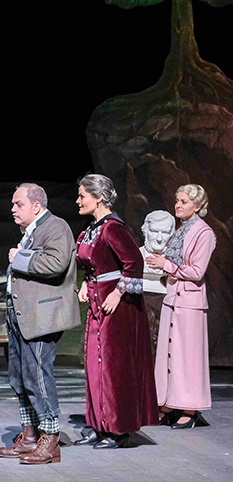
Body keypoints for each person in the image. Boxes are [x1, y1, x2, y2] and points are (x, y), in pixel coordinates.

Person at [0, 183, 80, 465]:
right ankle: (30, 435)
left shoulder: (56, 227)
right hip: (21, 312)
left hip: (41, 316)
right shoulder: (31, 231)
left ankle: (50, 439)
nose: (13, 209)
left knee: (38, 376)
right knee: (19, 376)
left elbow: (56, 263)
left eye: (18, 204)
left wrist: (19, 257)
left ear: (36, 206)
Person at [73, 174, 159, 449]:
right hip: (97, 305)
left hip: (117, 309)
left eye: (82, 196)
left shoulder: (112, 228)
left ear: (98, 198)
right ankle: (98, 424)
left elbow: (134, 262)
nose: (78, 200)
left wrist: (118, 292)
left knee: (112, 368)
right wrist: (86, 283)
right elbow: (95, 264)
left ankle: (117, 429)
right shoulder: (92, 228)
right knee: (94, 366)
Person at [145, 184, 216, 429]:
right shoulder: (181, 229)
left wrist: (166, 265)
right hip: (172, 299)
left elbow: (197, 272)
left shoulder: (204, 233)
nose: (178, 205)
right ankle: (167, 404)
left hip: (190, 303)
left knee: (188, 358)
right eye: (177, 200)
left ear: (197, 206)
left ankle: (190, 409)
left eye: (184, 201)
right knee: (168, 355)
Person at [139, 210, 174, 358]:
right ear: (145, 231)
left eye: (165, 233)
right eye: (154, 231)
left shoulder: (175, 263)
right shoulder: (136, 257)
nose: (159, 239)